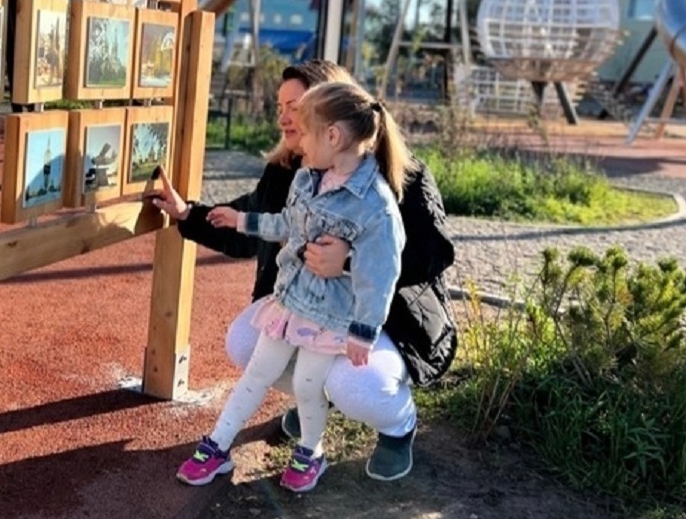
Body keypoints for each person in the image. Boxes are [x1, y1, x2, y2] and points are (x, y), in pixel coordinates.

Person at [152, 60, 457, 483]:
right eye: (281, 105)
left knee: (355, 384)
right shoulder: (295, 171)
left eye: (294, 106)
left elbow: (433, 253)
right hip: (308, 305)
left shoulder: (398, 179)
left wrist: (349, 261)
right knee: (245, 343)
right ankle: (310, 400)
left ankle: (397, 425)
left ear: (331, 118)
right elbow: (258, 220)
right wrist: (189, 213)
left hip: (386, 317)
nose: (283, 117)